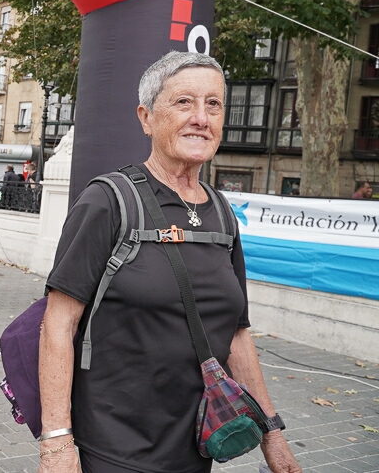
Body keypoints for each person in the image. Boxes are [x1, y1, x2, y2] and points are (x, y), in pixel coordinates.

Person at [38, 52, 301, 473]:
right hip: (113, 444)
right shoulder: (108, 201)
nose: (201, 116)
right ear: (146, 117)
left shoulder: (221, 212)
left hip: (199, 442)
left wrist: (272, 433)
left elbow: (236, 333)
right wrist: (56, 443)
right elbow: (58, 323)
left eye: (213, 104)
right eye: (184, 102)